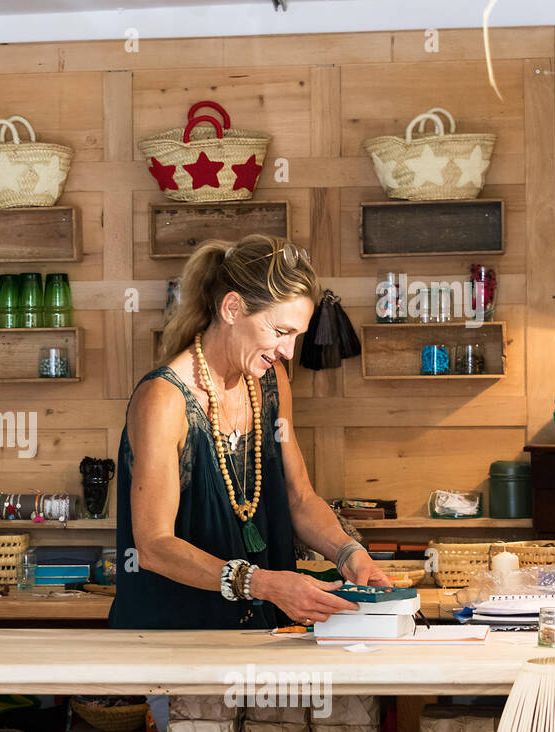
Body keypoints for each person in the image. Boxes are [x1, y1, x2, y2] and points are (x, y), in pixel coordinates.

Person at [108, 235, 389, 630]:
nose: (289, 351)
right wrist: (265, 584)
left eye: (297, 335)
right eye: (280, 331)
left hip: (259, 634)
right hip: (174, 639)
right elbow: (154, 546)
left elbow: (299, 496)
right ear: (232, 307)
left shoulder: (271, 382)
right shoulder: (164, 398)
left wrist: (348, 553)